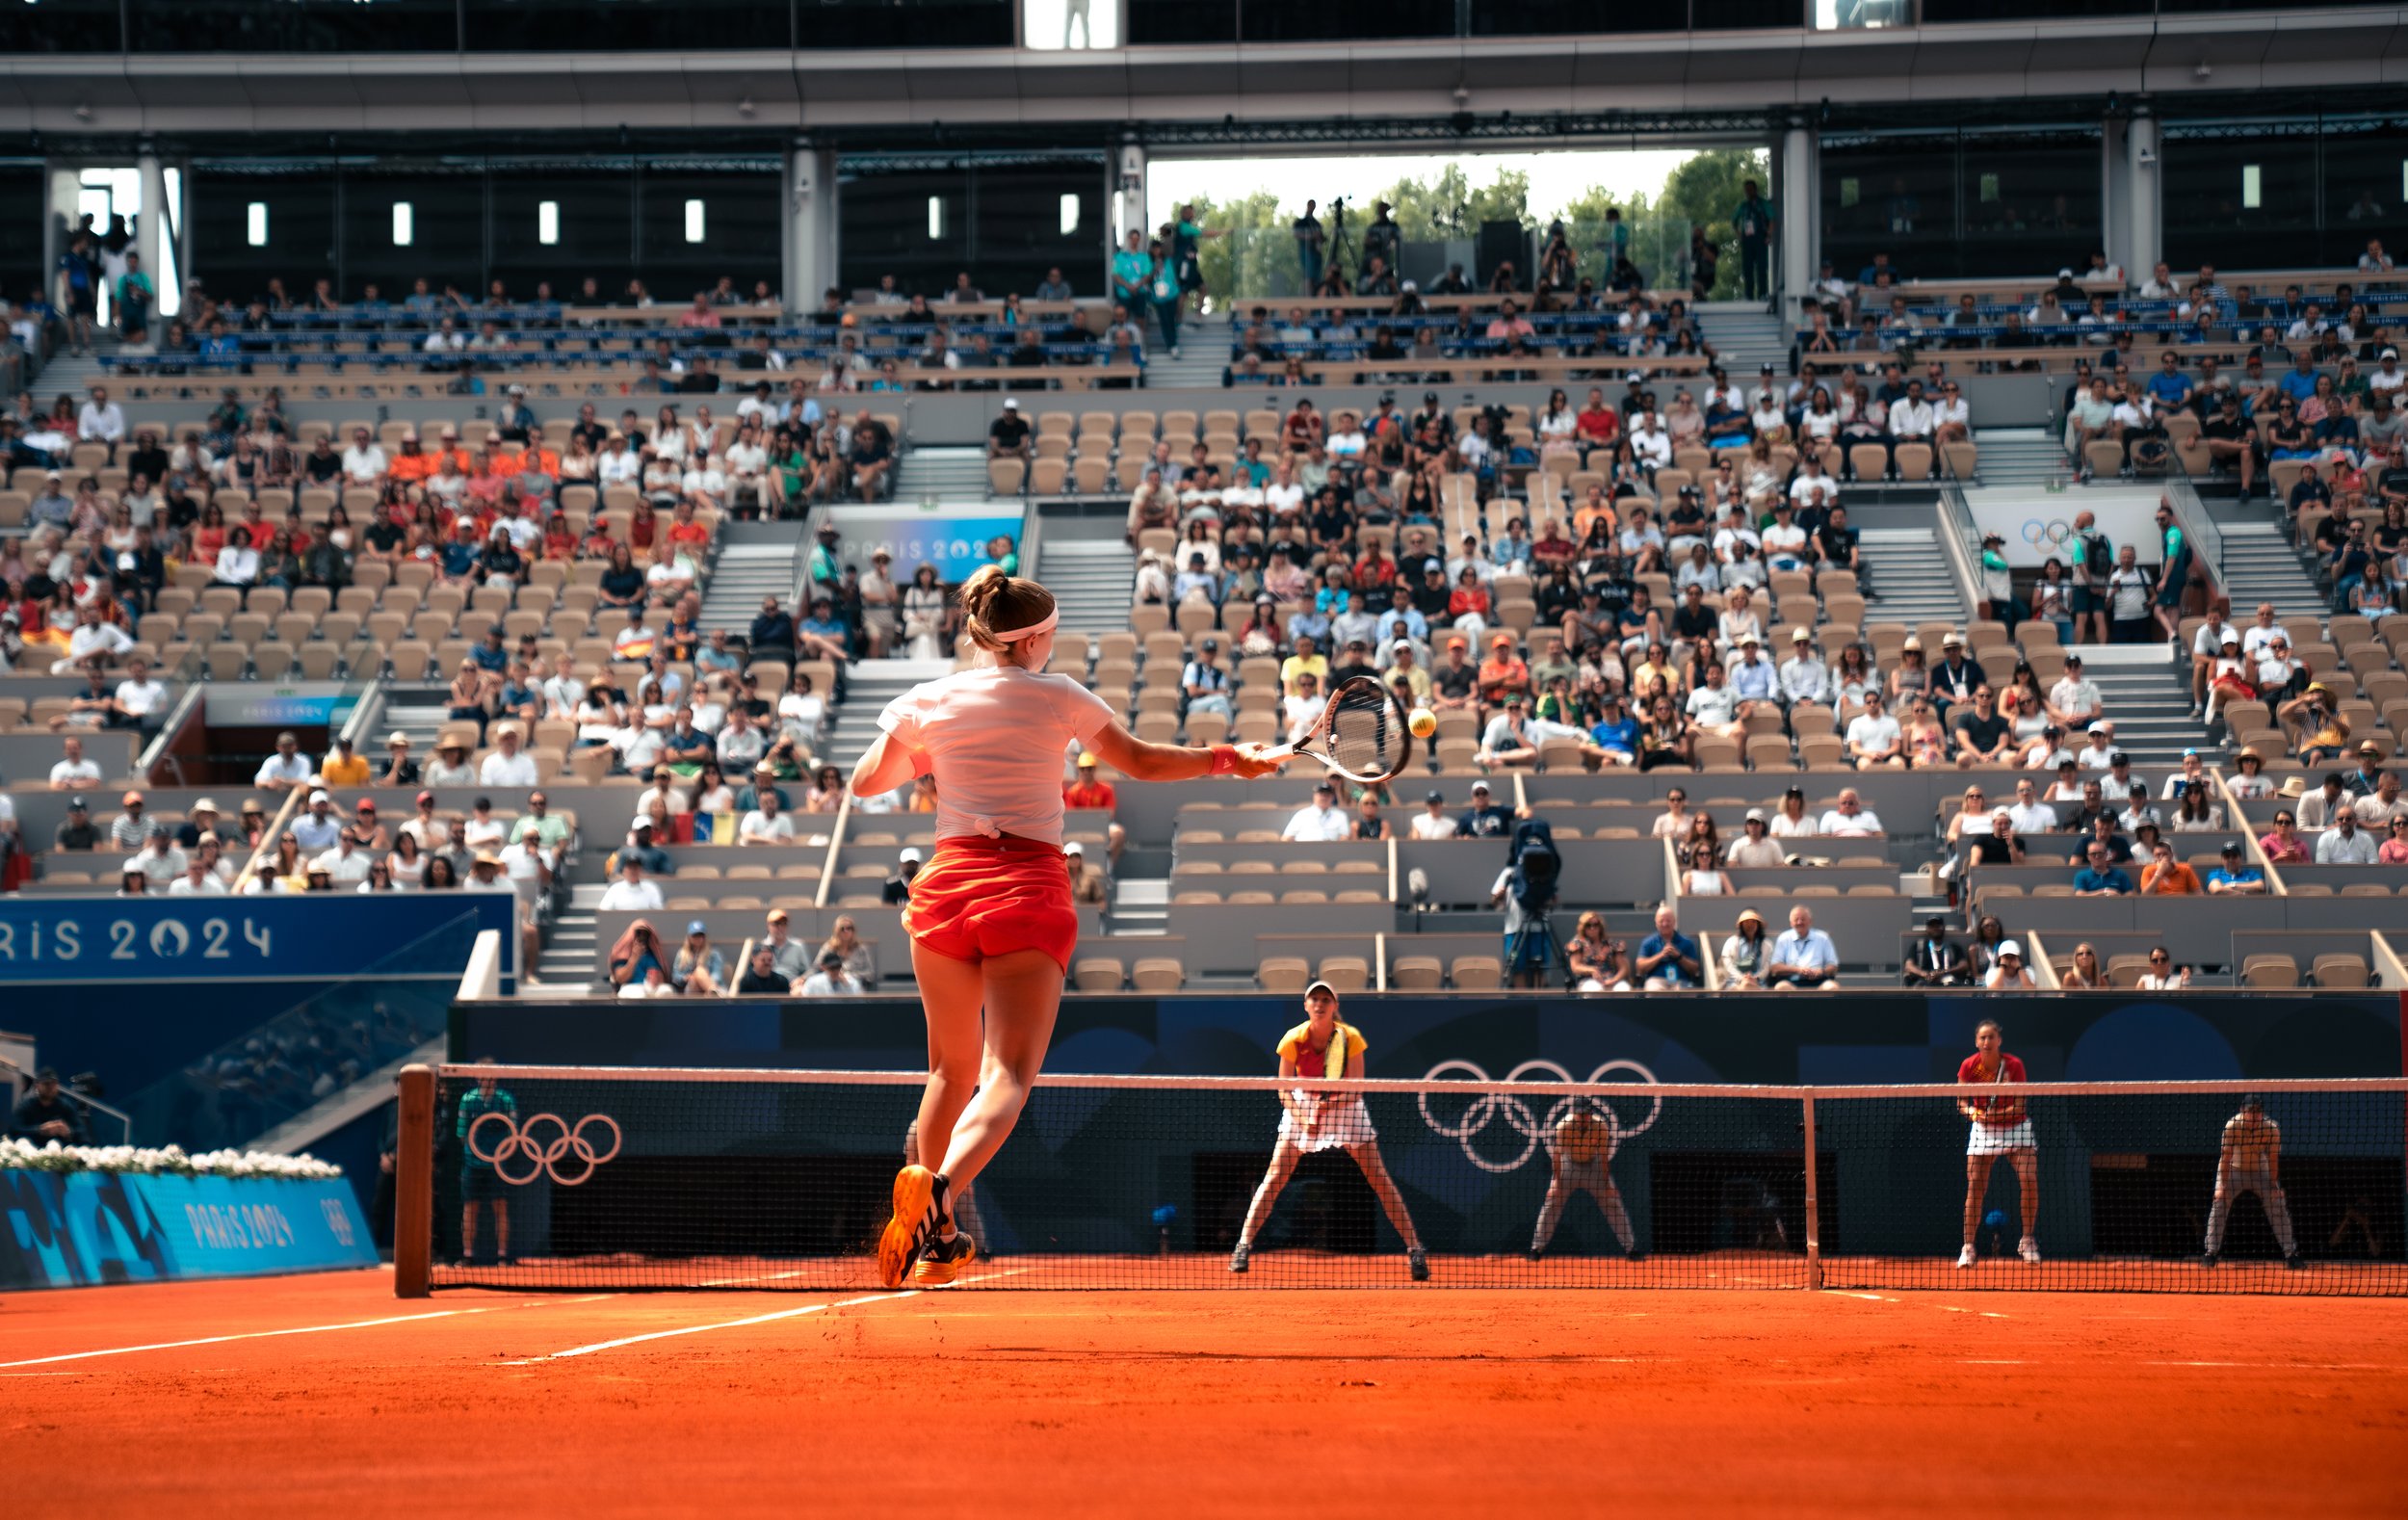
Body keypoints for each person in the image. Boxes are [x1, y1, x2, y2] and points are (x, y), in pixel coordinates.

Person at [851, 564, 1277, 1288]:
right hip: (1025, 887)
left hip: (945, 887)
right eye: (1051, 634)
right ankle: (940, 1194)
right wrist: (1231, 759)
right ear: (1035, 639)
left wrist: (940, 749)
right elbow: (1141, 761)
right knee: (1007, 1075)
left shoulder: (928, 698)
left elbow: (866, 782)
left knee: (947, 1073)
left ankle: (937, 1241)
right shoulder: (1057, 696)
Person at [1228, 980, 1428, 1281]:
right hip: (1302, 1103)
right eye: (1314, 999)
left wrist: (1329, 1107)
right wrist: (1303, 1115)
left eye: (1326, 999)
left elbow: (1357, 1089)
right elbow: (1284, 1090)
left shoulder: (1351, 1037)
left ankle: (1415, 1250)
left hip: (1346, 1107)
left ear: (1335, 1006)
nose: (1320, 1004)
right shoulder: (1293, 1039)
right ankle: (1242, 1246)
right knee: (1275, 1176)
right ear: (1306, 1006)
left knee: (1379, 1178)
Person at [1956, 1019, 2041, 1267]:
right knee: (1975, 1187)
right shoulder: (1969, 1066)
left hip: (2016, 1128)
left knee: (2029, 1178)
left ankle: (2027, 1241)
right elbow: (1961, 1103)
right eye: (1982, 1038)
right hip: (1983, 1129)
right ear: (1976, 1041)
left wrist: (1992, 1115)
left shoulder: (2013, 1065)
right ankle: (1968, 1247)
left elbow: (2020, 1105)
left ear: (1999, 1040)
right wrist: (1974, 1113)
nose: (1986, 1042)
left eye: (1991, 1037)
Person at [1528, 1098, 1641, 1262]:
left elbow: (1603, 1157)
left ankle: (1631, 1249)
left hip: (1593, 1166)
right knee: (1552, 1202)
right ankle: (1536, 1249)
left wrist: (1607, 1184)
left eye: (1587, 1114)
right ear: (1574, 1113)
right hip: (1569, 1166)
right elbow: (1557, 1156)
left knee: (1613, 1202)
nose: (1584, 1117)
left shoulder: (1601, 1126)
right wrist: (1556, 1183)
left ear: (1591, 1114)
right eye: (1580, 1114)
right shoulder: (1563, 1127)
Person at [2203, 1096, 2303, 1270]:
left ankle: (2291, 1255)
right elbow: (2225, 1158)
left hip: (2261, 1172)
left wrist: (2273, 1187)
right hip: (2234, 1170)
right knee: (2219, 1204)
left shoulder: (2271, 1128)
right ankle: (2210, 1253)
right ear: (2243, 1110)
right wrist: (2222, 1187)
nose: (2255, 1115)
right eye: (2251, 1111)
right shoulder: (2232, 1126)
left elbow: (2272, 1160)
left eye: (2258, 1111)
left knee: (2278, 1204)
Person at [454, 1059, 515, 1265]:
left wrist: (500, 1154)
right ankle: (468, 1255)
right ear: (476, 1076)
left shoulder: (505, 1100)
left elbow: (513, 1132)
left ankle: (503, 1257)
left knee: (501, 1208)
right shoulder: (468, 1099)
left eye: (490, 1074)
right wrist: (474, 1153)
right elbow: (462, 1134)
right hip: (473, 1163)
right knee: (470, 1209)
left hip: (498, 1163)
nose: (487, 1078)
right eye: (483, 1074)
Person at [1767, 904, 1839, 990]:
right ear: (1791, 923)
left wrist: (1821, 971)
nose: (1799, 922)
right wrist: (1798, 970)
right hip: (1792, 981)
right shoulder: (1783, 938)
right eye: (1796, 919)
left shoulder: (1823, 937)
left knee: (1832, 987)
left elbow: (1833, 966)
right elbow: (1775, 967)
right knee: (1781, 987)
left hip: (1819, 981)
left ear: (1810, 921)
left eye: (1803, 919)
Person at [9, 1066, 85, 1144]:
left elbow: (82, 1131)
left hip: (60, 1150)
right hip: (32, 1149)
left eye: (54, 1084)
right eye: (46, 1084)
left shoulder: (65, 1105)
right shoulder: (26, 1105)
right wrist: (40, 1130)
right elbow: (14, 1129)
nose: (51, 1088)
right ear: (37, 1085)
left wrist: (68, 1131)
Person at [1636, 904, 1702, 990]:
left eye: (1668, 921)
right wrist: (1661, 955)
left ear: (1674, 922)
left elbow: (1695, 969)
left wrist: (1679, 956)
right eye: (1661, 921)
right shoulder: (1648, 942)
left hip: (1680, 981)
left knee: (1684, 992)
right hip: (1656, 981)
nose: (1665, 924)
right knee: (1654, 991)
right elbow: (1640, 967)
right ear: (1656, 923)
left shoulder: (1686, 942)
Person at [1902, 915, 1972, 988]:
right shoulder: (1918, 947)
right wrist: (1926, 974)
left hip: (1949, 983)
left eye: (1938, 925)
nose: (1935, 928)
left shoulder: (1954, 947)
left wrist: (1944, 972)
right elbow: (1909, 966)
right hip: (1925, 983)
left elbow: (1964, 965)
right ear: (1927, 929)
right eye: (1932, 926)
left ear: (1944, 928)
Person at [800, 947, 865, 997]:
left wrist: (847, 986)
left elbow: (860, 1002)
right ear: (824, 967)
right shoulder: (813, 982)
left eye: (838, 967)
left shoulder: (851, 981)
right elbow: (804, 1001)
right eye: (832, 968)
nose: (835, 971)